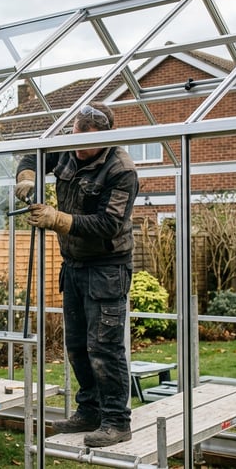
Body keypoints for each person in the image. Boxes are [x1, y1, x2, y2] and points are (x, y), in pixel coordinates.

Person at [14, 102, 139, 447]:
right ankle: (89, 411)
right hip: (74, 265)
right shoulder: (69, 150)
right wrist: (27, 176)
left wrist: (58, 220)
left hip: (107, 267)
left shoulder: (121, 169)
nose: (80, 149)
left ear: (107, 137)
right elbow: (33, 157)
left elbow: (109, 224)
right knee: (78, 345)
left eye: (88, 142)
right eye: (76, 138)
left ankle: (116, 420)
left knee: (105, 346)